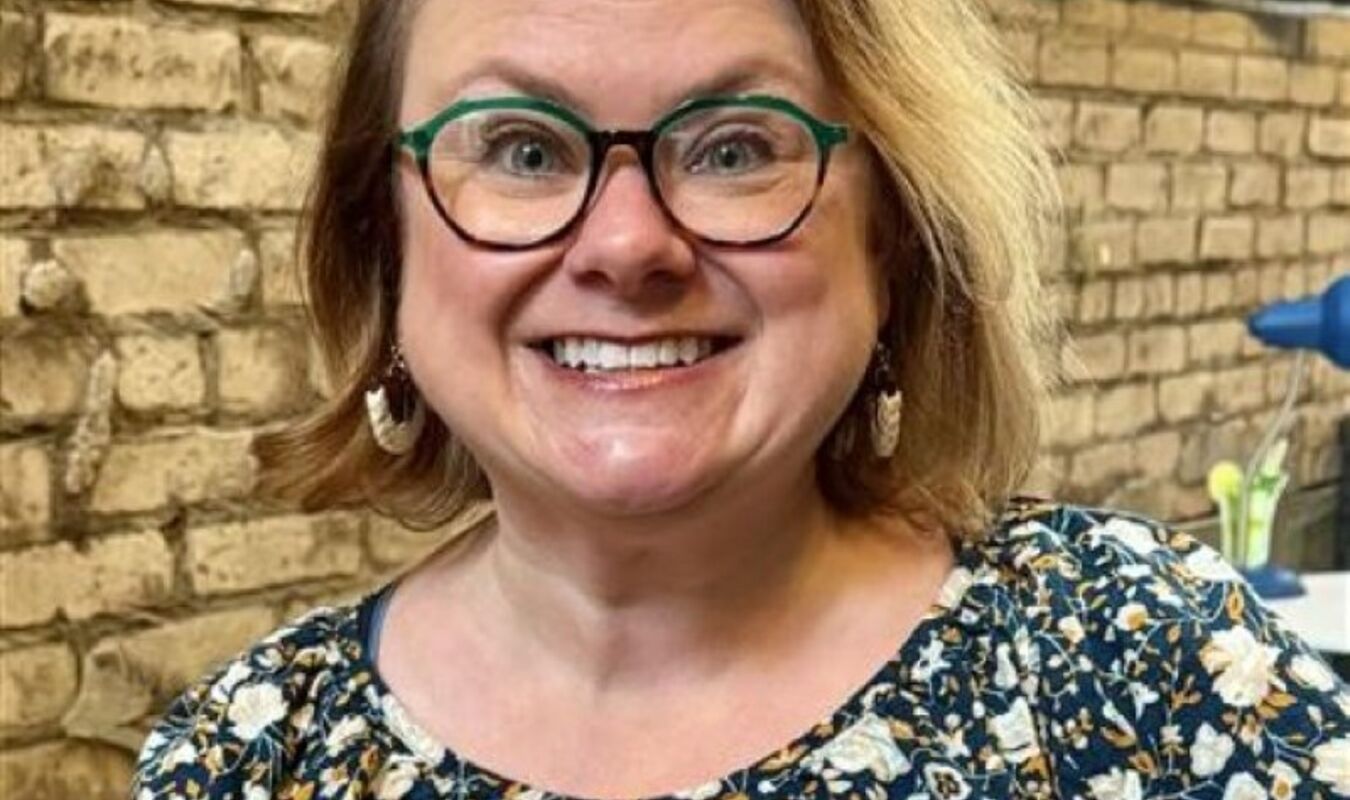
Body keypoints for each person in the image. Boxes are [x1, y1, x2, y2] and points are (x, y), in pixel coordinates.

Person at [131, 0, 1350, 797]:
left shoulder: (1145, 668)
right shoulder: (246, 755)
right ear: (382, 239)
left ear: (895, 237)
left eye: (731, 146)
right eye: (520, 147)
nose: (626, 244)